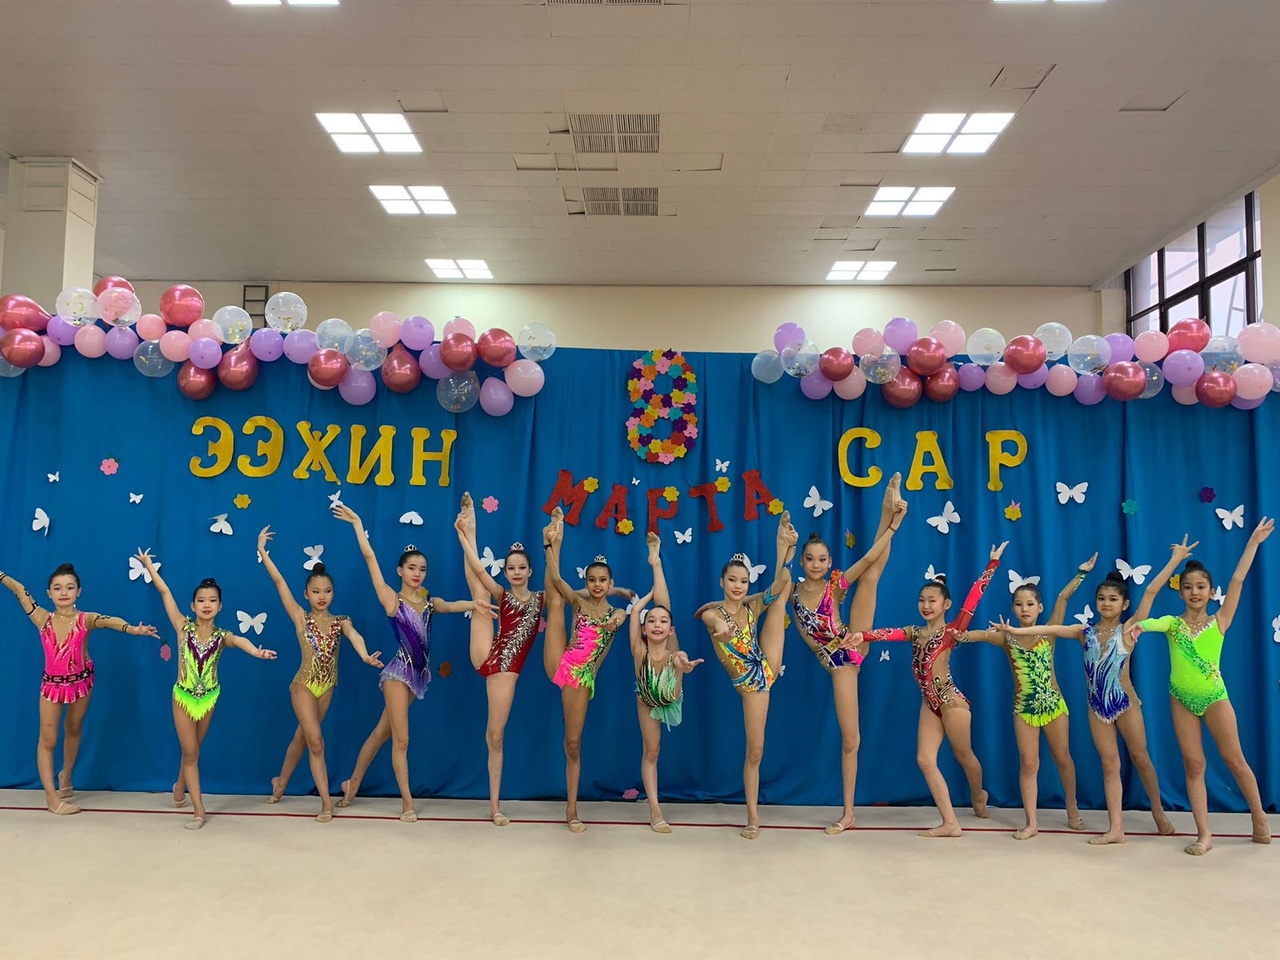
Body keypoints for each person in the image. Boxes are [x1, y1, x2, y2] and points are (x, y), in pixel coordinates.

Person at [993, 555, 1181, 845]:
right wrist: (1015, 631)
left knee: (1141, 758)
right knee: (1109, 764)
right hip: (1096, 707)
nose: (1106, 603)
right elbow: (1050, 629)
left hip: (1125, 703)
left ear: (1125, 604)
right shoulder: (1085, 632)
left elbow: (1152, 591)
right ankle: (1116, 828)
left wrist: (1174, 560)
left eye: (1113, 599)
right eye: (1101, 598)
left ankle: (1159, 813)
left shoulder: (1130, 628)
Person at [330, 504, 487, 822]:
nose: (417, 573)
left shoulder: (429, 602)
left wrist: (476, 603)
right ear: (400, 571)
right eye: (412, 568)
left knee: (381, 733)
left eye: (422, 569)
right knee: (401, 739)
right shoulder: (392, 600)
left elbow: (451, 605)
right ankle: (407, 802)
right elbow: (370, 559)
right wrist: (358, 523)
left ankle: (351, 784)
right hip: (396, 675)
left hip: (417, 676)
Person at [1130, 519, 1274, 855]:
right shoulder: (1172, 624)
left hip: (1214, 697)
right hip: (1181, 698)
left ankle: (1259, 818)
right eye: (1188, 587)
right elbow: (1147, 620)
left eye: (1201, 586)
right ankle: (1204, 834)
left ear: (1211, 591)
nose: (1195, 592)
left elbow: (1238, 579)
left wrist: (1253, 543)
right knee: (1194, 765)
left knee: (1235, 760)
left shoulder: (1220, 621)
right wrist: (1137, 627)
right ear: (1180, 592)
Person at [854, 543, 1007, 838]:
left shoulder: (951, 630)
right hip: (930, 703)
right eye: (922, 600)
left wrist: (992, 565)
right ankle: (950, 823)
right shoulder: (916, 632)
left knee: (964, 756)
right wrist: (863, 635)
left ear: (946, 605)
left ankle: (979, 793)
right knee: (924, 759)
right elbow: (889, 633)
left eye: (932, 601)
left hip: (952, 703)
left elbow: (973, 600)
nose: (926, 605)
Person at [790, 475, 906, 834]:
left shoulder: (835, 584)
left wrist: (894, 527)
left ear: (829, 562)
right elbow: (784, 617)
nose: (816, 564)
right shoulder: (792, 593)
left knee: (870, 575)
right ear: (802, 561)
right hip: (832, 656)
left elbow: (869, 557)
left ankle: (888, 507)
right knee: (850, 738)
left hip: (849, 650)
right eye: (810, 559)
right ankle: (888, 509)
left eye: (822, 559)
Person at [134, 550, 276, 830]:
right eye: (201, 600)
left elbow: (241, 640)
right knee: (190, 751)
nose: (206, 604)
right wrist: (149, 566)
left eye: (212, 600)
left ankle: (179, 786)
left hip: (209, 698)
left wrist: (256, 652)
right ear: (193, 605)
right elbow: (165, 593)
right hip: (183, 696)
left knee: (194, 751)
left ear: (220, 606)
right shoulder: (182, 627)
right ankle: (199, 810)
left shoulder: (222, 637)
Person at [0, 563, 158, 815]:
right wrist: (1, 575)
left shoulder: (85, 619)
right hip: (52, 685)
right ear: (49, 593)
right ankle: (52, 798)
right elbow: (19, 590)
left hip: (81, 682)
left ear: (79, 591)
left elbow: (108, 621)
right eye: (57, 588)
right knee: (48, 739)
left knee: (74, 727)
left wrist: (132, 629)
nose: (64, 592)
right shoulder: (42, 618)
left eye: (69, 587)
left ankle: (66, 774)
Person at [257, 525, 383, 822]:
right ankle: (326, 803)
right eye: (315, 592)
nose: (322, 596)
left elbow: (355, 636)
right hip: (303, 685)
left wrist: (365, 656)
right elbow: (279, 582)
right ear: (306, 594)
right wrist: (262, 551)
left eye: (327, 591)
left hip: (327, 687)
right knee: (316, 741)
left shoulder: (341, 621)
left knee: (302, 739)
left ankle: (280, 783)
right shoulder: (300, 617)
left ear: (333, 593)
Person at [966, 558, 1096, 839]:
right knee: (1029, 764)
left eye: (1029, 604)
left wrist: (1081, 573)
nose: (1024, 609)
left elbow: (1062, 598)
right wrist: (959, 636)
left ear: (1039, 608)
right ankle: (1031, 822)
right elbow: (982, 635)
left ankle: (1072, 808)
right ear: (1012, 609)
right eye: (1018, 604)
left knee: (1063, 758)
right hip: (1024, 709)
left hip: (1054, 705)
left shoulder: (1049, 632)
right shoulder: (1007, 637)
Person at [697, 511, 798, 839]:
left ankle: (783, 543)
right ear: (722, 582)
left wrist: (788, 551)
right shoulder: (713, 612)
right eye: (733, 580)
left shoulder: (752, 606)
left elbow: (778, 585)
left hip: (763, 670)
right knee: (754, 751)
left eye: (743, 581)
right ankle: (752, 816)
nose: (738, 586)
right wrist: (721, 627)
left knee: (780, 595)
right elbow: (712, 620)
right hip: (748, 681)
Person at [454, 493, 548, 826]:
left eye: (522, 567)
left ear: (530, 570)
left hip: (506, 670)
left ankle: (494, 803)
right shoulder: (503, 594)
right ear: (506, 572)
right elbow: (479, 570)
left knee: (495, 735)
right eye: (511, 568)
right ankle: (470, 523)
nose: (517, 572)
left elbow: (567, 591)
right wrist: (462, 536)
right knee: (480, 594)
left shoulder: (542, 598)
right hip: (487, 654)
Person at [543, 507, 630, 832]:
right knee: (554, 599)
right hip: (561, 660)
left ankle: (572, 807)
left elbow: (618, 619)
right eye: (591, 580)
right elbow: (557, 581)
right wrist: (548, 547)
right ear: (586, 582)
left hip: (581, 677)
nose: (597, 584)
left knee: (573, 744)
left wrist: (614, 619)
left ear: (610, 583)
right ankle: (553, 536)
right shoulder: (578, 603)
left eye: (602, 580)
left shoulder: (617, 613)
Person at [631, 532, 702, 833]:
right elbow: (636, 612)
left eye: (662, 623)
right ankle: (655, 810)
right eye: (651, 622)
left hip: (671, 692)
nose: (657, 625)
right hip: (647, 700)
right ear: (643, 629)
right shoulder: (639, 650)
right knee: (652, 752)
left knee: (665, 606)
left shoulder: (674, 650)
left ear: (671, 630)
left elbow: (680, 657)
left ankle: (656, 562)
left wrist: (683, 665)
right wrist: (645, 601)